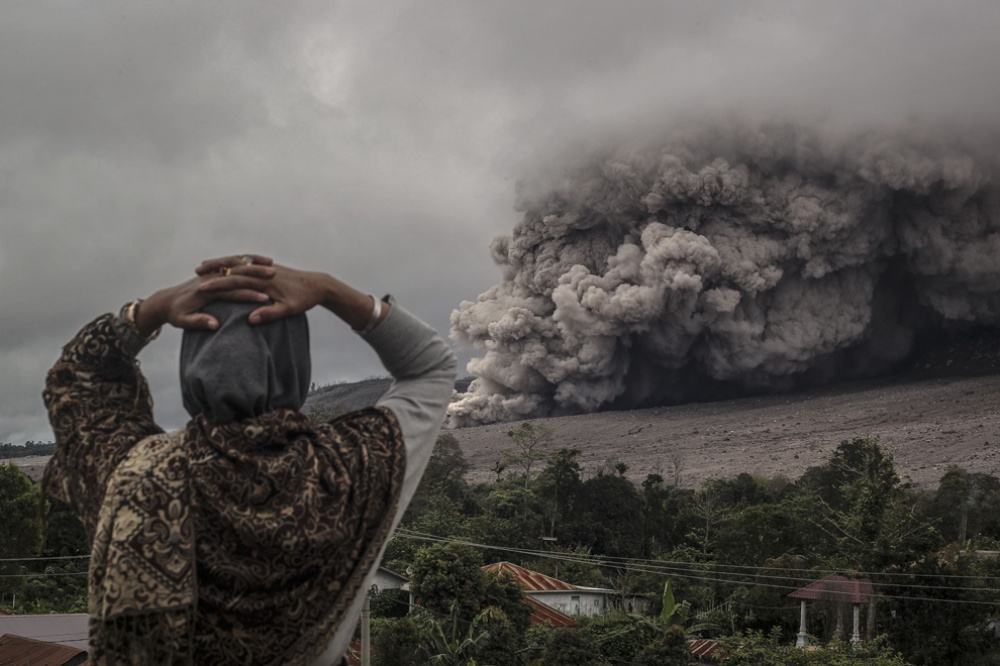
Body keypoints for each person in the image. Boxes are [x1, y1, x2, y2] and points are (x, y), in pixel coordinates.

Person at [42, 254, 457, 665]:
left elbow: (77, 379)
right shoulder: (355, 466)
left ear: (190, 365)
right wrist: (329, 289)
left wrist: (151, 309)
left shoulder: (133, 471)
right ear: (296, 365)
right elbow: (431, 368)